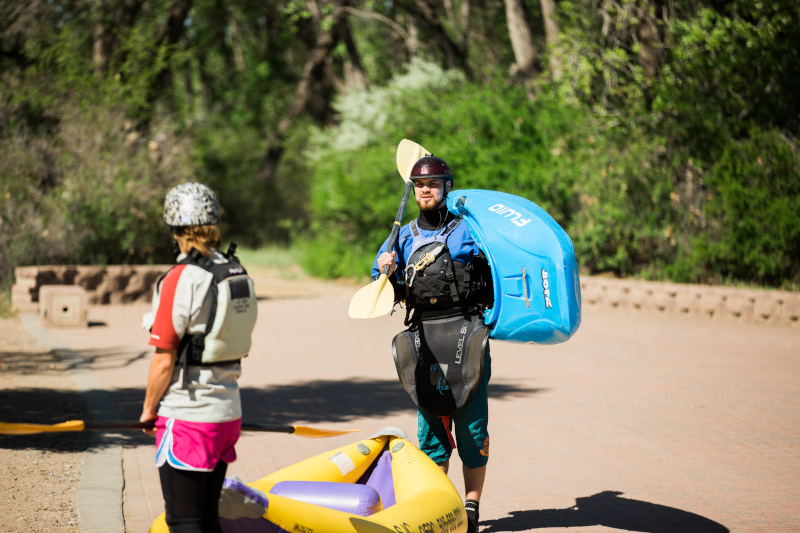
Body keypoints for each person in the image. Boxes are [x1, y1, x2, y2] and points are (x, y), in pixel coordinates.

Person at [373, 156, 493, 533]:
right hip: (424, 336)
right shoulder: (401, 237)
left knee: (473, 430)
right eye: (421, 184)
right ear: (414, 189)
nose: (426, 189)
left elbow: (499, 270)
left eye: (435, 183)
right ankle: (441, 505)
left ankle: (471, 507)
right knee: (431, 434)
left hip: (467, 332)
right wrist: (386, 271)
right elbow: (380, 286)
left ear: (446, 187)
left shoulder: (470, 230)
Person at [140, 182, 257, 533]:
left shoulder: (180, 278)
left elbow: (163, 360)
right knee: (207, 517)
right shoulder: (233, 269)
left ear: (175, 228)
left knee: (184, 521)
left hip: (188, 417)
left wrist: (148, 410)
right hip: (226, 413)